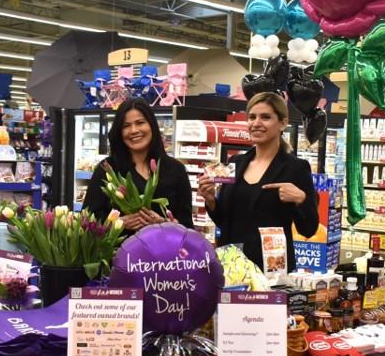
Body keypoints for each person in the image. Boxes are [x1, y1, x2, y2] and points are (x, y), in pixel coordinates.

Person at [198, 91, 319, 272]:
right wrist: (211, 201)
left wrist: (302, 199)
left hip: (271, 270)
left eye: (265, 117)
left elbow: (309, 229)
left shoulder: (295, 168)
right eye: (252, 117)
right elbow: (226, 221)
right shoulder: (236, 164)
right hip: (232, 266)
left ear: (282, 123)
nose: (256, 123)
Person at [83, 97, 194, 231]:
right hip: (118, 251)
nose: (134, 130)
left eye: (140, 122)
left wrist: (164, 224)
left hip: (163, 251)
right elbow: (87, 220)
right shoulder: (108, 169)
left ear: (151, 125)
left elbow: (187, 226)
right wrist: (116, 223)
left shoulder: (175, 169)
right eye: (126, 126)